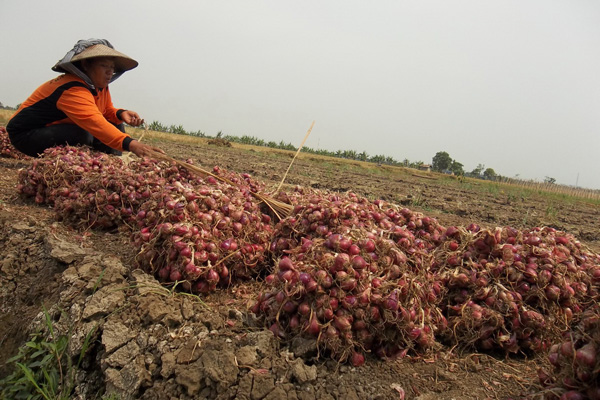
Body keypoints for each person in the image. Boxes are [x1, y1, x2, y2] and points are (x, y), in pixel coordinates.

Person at [6, 39, 163, 158]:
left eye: (112, 68)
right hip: (26, 135)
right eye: (104, 66)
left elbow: (105, 111)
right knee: (82, 134)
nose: (110, 72)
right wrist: (132, 144)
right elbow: (94, 121)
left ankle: (111, 165)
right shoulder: (72, 88)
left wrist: (121, 114)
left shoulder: (99, 87)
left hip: (58, 129)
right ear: (86, 65)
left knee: (116, 125)